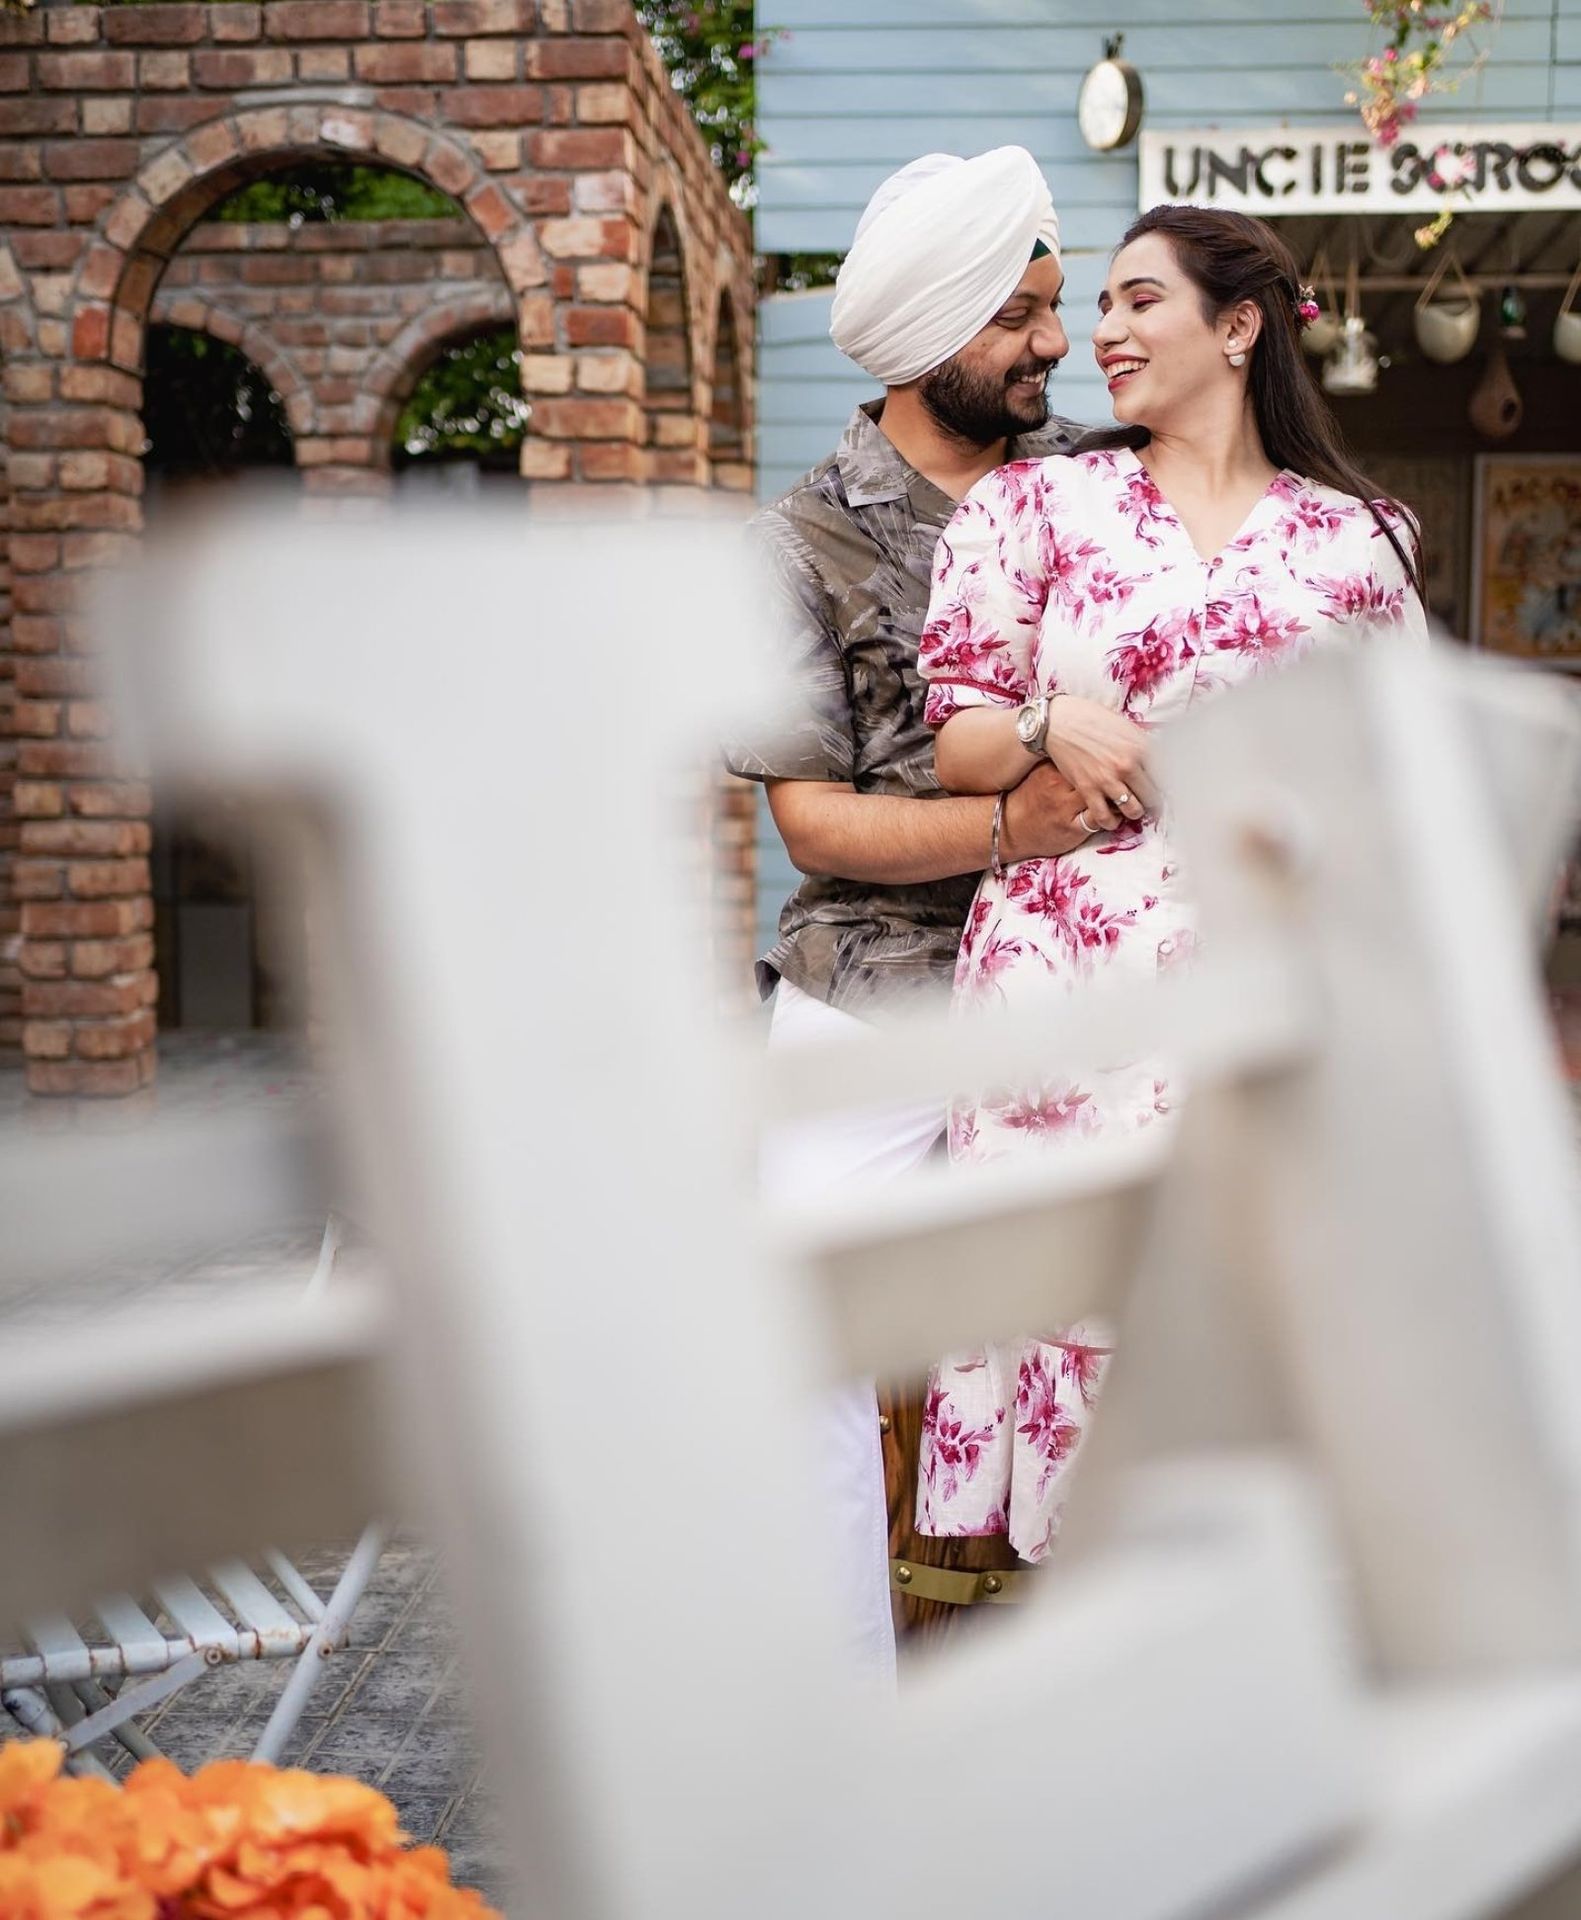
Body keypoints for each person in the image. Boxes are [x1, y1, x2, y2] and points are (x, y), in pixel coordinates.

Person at [913, 205, 1429, 1566]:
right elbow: (955, 729)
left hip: (1257, 985)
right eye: (1099, 305)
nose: (1100, 331)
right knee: (1070, 1301)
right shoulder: (1030, 504)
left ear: (1237, 325)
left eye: (1140, 301)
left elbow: (1397, 791)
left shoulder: (1360, 543)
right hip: (1058, 987)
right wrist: (1046, 725)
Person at [730, 147, 1137, 1680]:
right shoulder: (791, 547)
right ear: (926, 340)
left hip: (1107, 969)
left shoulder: (1103, 490)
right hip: (879, 983)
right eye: (1019, 318)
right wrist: (1002, 823)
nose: (1053, 342)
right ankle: (842, 1709)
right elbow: (812, 822)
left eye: (1054, 306)